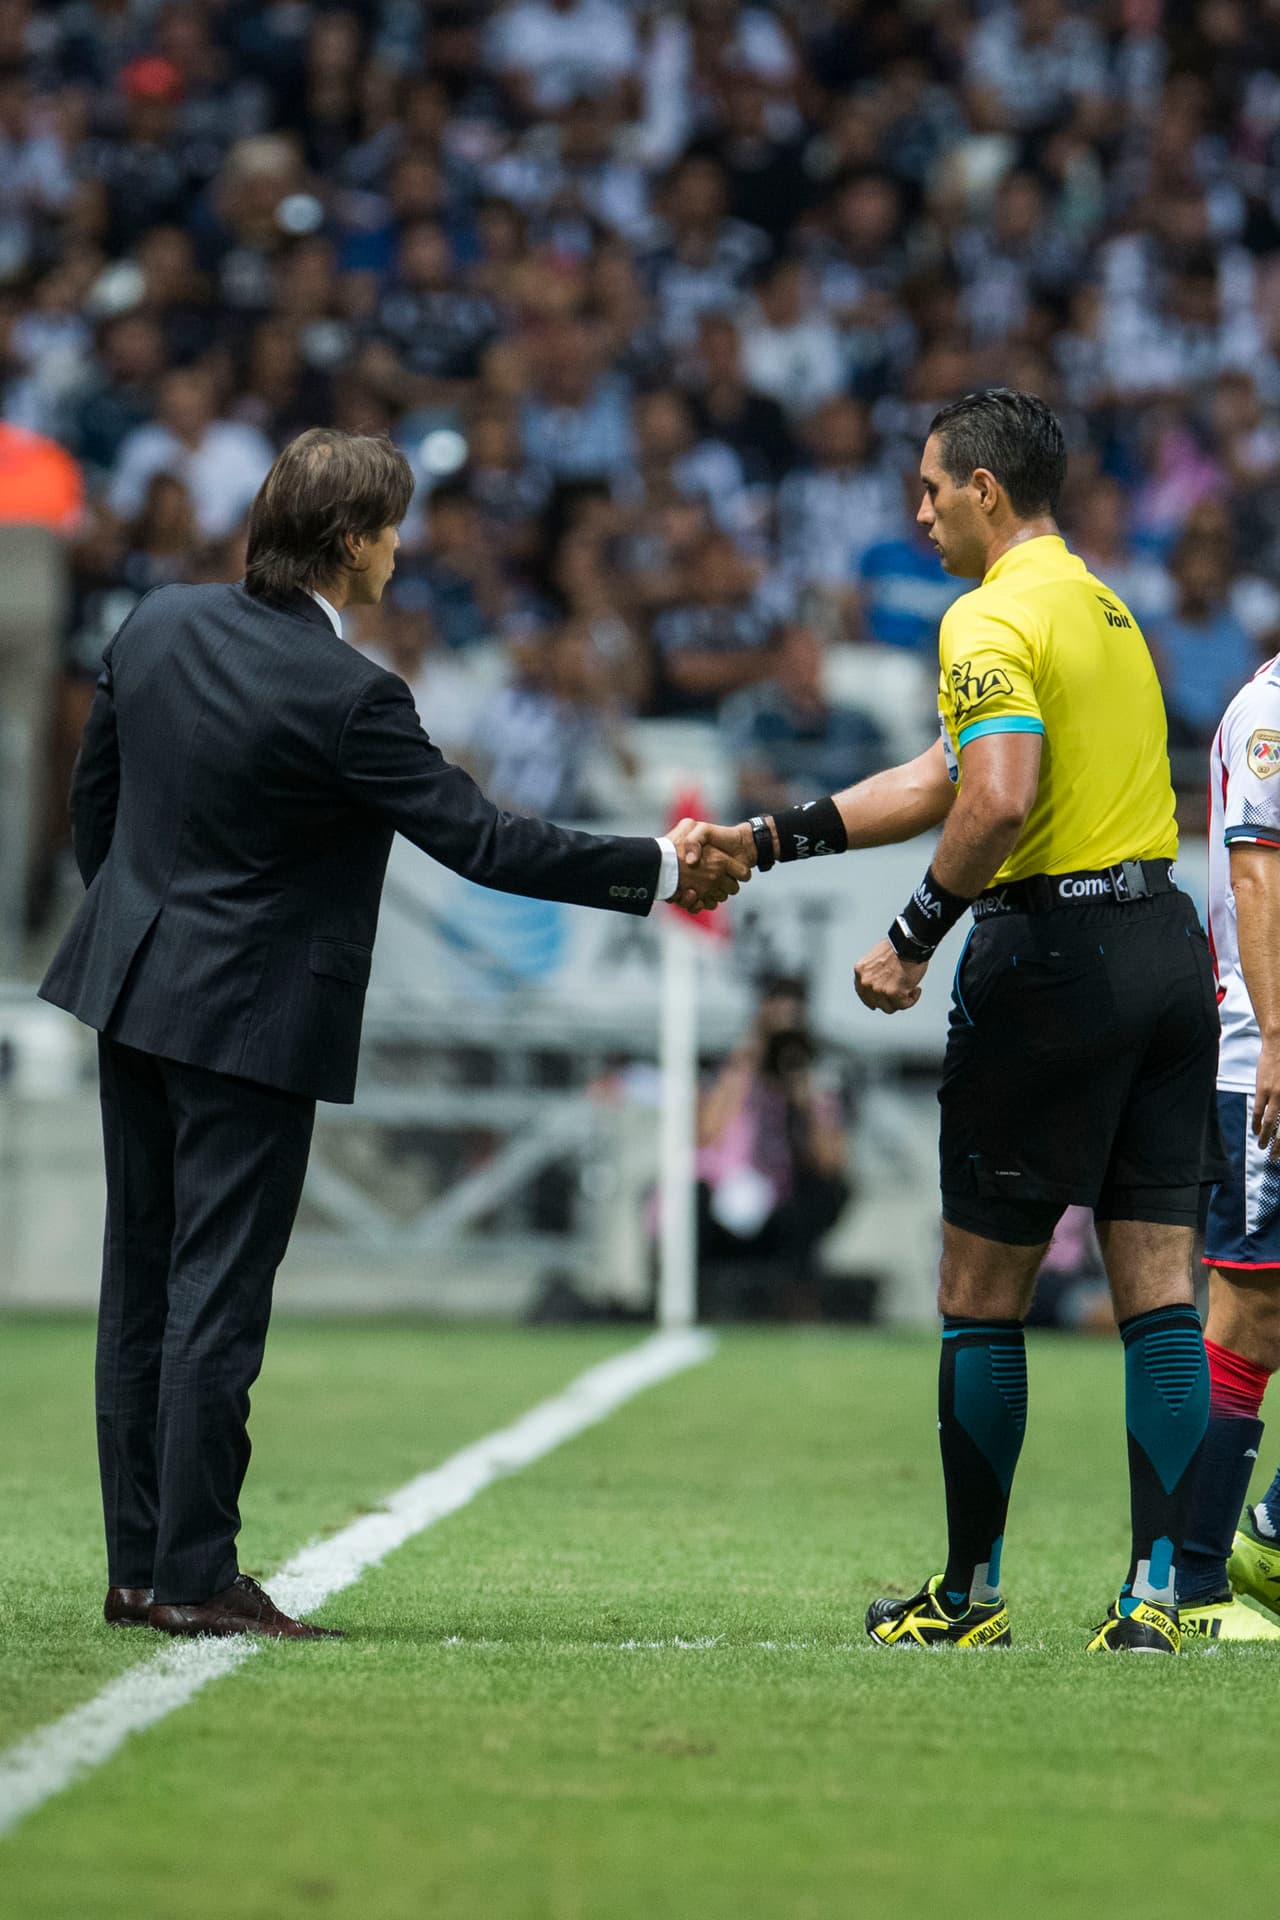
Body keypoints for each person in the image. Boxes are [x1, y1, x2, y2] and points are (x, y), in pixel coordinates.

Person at [38, 427, 748, 1644]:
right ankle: (197, 1576)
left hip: (134, 993)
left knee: (141, 1287)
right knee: (214, 1293)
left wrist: (143, 943)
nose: (403, 547)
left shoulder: (156, 624)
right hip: (248, 1019)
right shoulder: (349, 693)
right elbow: (483, 842)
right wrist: (657, 866)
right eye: (393, 526)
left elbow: (92, 812)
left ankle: (141, 1567)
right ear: (356, 541)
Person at [688, 388, 1222, 1653]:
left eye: (930, 489)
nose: (916, 512)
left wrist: (910, 936)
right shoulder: (1096, 604)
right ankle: (1155, 1599)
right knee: (1156, 1292)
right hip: (1160, 940)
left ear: (985, 489)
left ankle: (967, 1592)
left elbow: (991, 796)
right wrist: (769, 841)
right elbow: (940, 769)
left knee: (979, 1292)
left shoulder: (982, 614)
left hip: (1050, 963)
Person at [1171, 653, 1280, 1640]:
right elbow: (1254, 875)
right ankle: (1194, 1589)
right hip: (1263, 1062)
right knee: (1248, 1312)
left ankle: (1271, 1541)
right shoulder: (1268, 712)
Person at [695, 974, 849, 1320]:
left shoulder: (815, 1081)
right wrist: (745, 1064)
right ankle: (697, 1305)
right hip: (726, 1189)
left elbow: (829, 1163)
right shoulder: (731, 1069)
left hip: (784, 1199)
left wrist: (802, 1093)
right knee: (691, 1199)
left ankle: (800, 1308)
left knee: (820, 1197)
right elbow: (704, 1134)